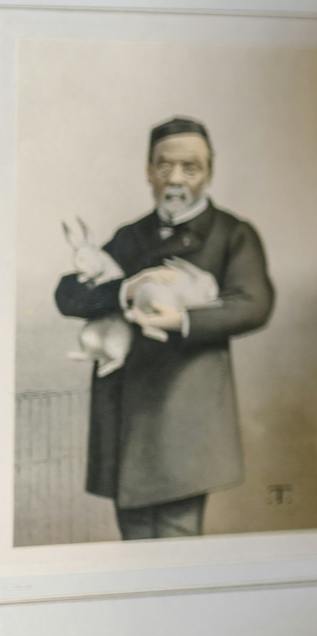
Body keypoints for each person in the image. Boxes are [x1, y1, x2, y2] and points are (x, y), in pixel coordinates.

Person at [54, 117, 275, 539]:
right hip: (125, 418)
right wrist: (123, 292)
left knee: (177, 539)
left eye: (190, 168)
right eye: (164, 166)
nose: (175, 179)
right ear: (148, 171)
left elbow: (255, 304)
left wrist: (184, 320)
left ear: (209, 171)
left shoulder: (233, 235)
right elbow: (68, 295)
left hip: (184, 416)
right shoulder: (130, 236)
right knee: (134, 536)